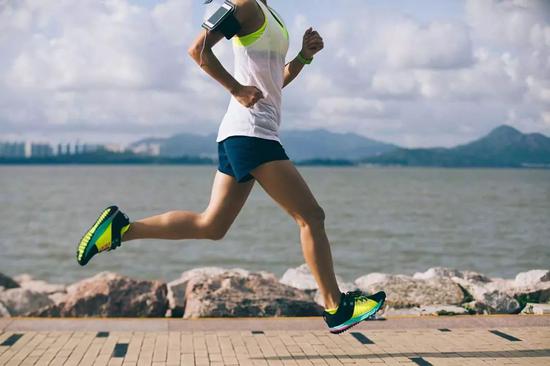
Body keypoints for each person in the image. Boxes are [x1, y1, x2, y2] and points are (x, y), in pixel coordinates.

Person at [76, 0, 385, 334]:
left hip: (243, 133)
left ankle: (121, 229)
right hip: (251, 133)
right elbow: (198, 51)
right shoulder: (245, 5)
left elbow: (271, 84)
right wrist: (235, 89)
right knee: (311, 217)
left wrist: (303, 58)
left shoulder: (268, 12)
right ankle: (336, 307)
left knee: (212, 225)